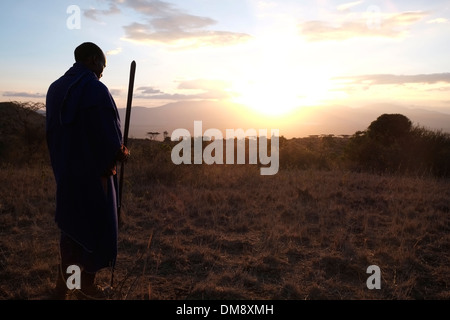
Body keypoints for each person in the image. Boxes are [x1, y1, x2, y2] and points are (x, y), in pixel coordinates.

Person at [46, 42, 129, 299]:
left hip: (66, 175)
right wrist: (122, 153)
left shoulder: (55, 89)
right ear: (93, 60)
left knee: (72, 229)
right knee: (94, 230)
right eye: (103, 65)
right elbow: (110, 142)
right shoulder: (96, 90)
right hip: (95, 179)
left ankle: (64, 286)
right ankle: (87, 286)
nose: (103, 72)